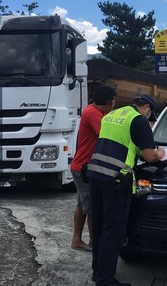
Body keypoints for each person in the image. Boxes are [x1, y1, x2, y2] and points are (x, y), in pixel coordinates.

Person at [87, 95, 165, 286]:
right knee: (113, 230)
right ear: (145, 107)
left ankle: (98, 273)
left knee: (99, 225)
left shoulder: (112, 115)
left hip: (95, 174)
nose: (148, 116)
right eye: (149, 112)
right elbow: (149, 156)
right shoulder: (138, 120)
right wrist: (159, 153)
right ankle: (105, 280)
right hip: (115, 179)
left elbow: (121, 143)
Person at [69, 85, 117, 252]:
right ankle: (94, 243)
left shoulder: (92, 110)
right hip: (84, 168)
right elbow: (107, 134)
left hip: (81, 166)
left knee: (82, 205)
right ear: (109, 101)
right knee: (92, 208)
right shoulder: (93, 114)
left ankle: (77, 240)